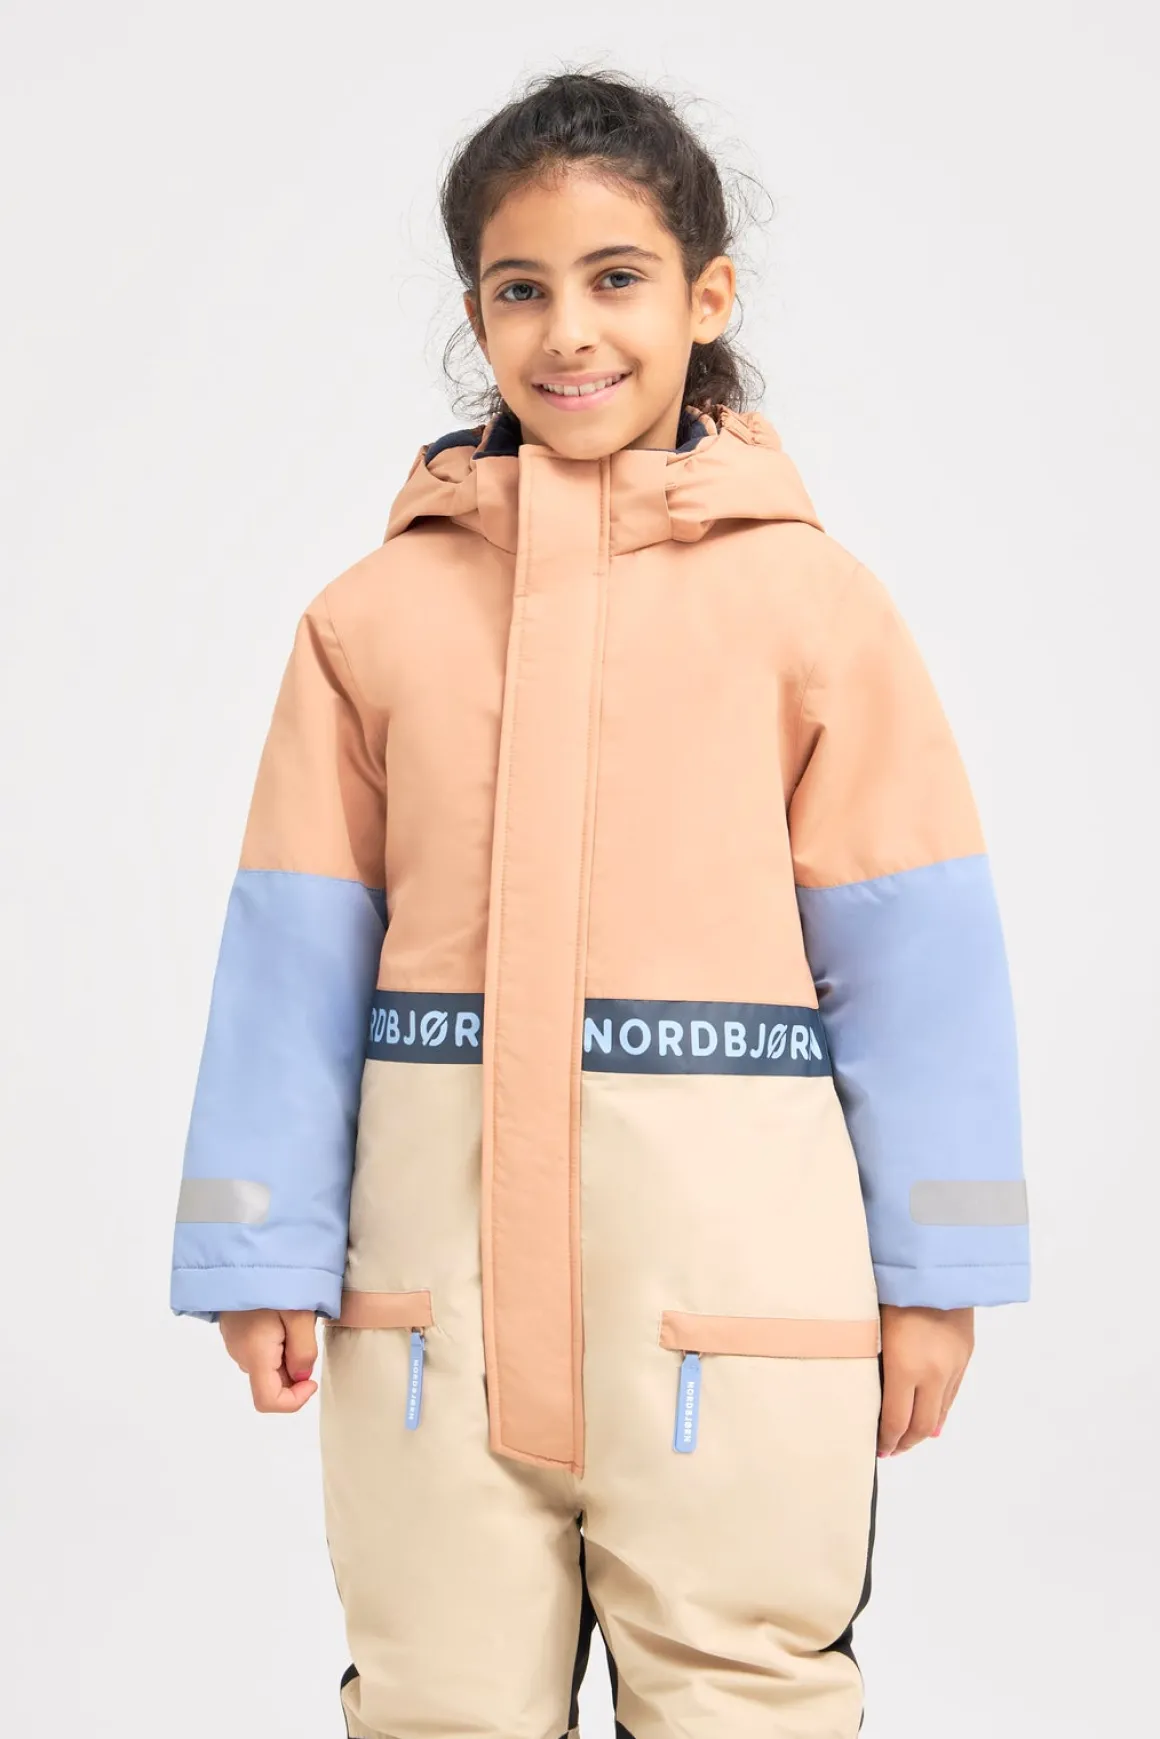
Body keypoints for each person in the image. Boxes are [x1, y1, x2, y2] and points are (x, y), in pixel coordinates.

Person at [168, 64, 1030, 1739]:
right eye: (521, 288)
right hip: (431, 1317)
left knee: (744, 1693)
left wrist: (939, 1273)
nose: (569, 331)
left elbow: (920, 965)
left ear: (707, 296)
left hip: (729, 1312)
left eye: (616, 278)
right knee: (437, 1696)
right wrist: (260, 1241)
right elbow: (291, 956)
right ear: (475, 316)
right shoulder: (370, 621)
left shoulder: (816, 610)